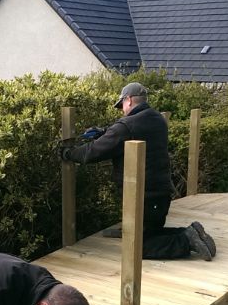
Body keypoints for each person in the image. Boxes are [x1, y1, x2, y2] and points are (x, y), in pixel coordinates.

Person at [61, 82, 217, 261]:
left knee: (139, 248)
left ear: (128, 100)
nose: (122, 110)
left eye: (121, 106)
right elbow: (131, 131)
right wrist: (105, 132)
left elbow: (93, 152)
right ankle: (192, 231)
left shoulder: (126, 126)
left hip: (145, 197)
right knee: (150, 232)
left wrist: (68, 153)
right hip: (160, 194)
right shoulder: (157, 119)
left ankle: (187, 240)